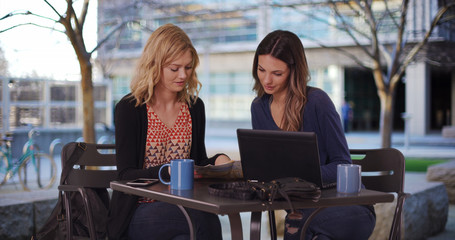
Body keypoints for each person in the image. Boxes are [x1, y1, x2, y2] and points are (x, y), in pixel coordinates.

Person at [107, 23, 231, 240]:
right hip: (138, 211)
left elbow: (197, 161)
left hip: (184, 207)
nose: (183, 75)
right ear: (154, 66)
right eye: (174, 68)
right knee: (204, 219)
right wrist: (165, 172)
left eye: (188, 67)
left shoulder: (194, 107)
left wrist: (217, 161)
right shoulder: (130, 108)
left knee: (189, 232)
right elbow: (125, 175)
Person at [250, 30, 375, 240]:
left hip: (346, 206)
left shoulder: (317, 102)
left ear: (294, 71)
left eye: (277, 73)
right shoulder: (259, 108)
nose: (267, 80)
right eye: (261, 70)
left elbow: (342, 164)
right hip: (302, 209)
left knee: (301, 227)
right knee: (304, 227)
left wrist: (300, 176)